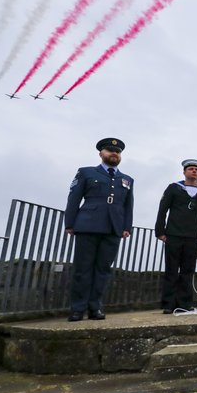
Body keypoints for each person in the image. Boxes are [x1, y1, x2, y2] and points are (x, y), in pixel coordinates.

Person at [64, 137, 134, 321]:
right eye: (110, 151)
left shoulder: (127, 179)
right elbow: (74, 198)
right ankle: (78, 309)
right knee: (83, 269)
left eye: (117, 152)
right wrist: (70, 223)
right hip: (88, 225)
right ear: (101, 153)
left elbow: (128, 205)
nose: (114, 154)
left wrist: (126, 227)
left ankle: (95, 307)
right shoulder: (86, 172)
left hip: (113, 228)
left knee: (103, 270)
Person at [154, 159, 197, 313]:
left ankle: (184, 304)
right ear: (184, 172)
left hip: (193, 236)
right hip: (173, 234)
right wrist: (160, 231)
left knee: (188, 271)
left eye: (196, 169)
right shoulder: (173, 188)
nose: (194, 171)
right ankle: (168, 304)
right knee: (171, 270)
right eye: (191, 169)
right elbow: (163, 209)